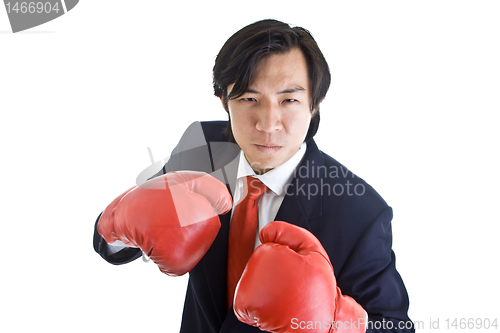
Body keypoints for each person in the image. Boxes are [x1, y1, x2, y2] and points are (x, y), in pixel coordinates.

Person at [93, 19, 414, 332]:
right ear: (224, 101)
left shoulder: (359, 211)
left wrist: (335, 324)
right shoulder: (203, 147)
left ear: (314, 104)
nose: (268, 123)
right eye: (249, 98)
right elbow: (120, 239)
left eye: (289, 99)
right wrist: (116, 224)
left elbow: (394, 326)